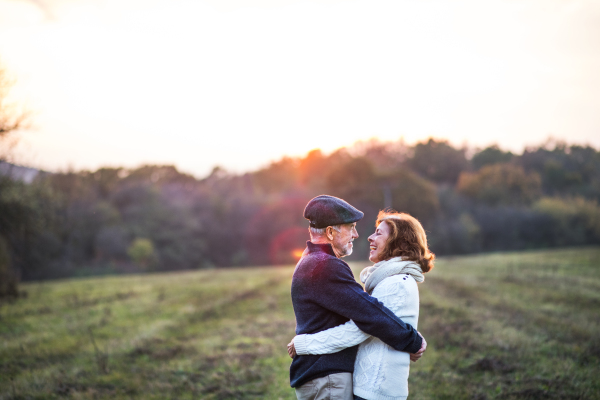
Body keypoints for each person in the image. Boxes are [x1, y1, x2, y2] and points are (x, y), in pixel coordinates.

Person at [290, 196, 426, 400]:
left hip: (320, 375)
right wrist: (413, 340)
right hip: (326, 378)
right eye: (351, 227)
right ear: (330, 232)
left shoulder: (311, 260)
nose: (356, 234)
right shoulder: (325, 266)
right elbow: (369, 315)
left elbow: (369, 313)